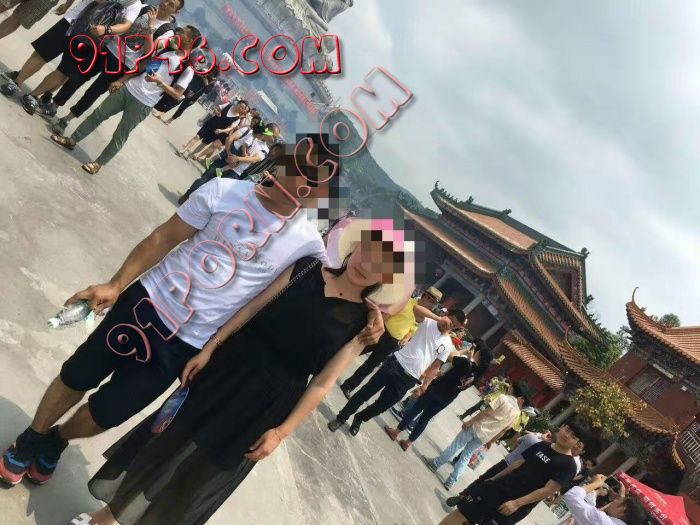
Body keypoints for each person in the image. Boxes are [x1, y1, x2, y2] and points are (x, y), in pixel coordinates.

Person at [0, 138, 339, 487]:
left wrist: (370, 316)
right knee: (78, 375)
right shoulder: (225, 191)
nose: (305, 182)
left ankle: (56, 439)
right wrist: (116, 284)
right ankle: (30, 438)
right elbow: (163, 238)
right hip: (145, 304)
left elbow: (343, 285)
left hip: (187, 343)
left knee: (108, 413)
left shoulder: (308, 244)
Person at [67, 215, 409, 525]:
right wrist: (211, 347)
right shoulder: (305, 268)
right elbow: (252, 307)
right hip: (227, 368)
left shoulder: (364, 326)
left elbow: (322, 383)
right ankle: (106, 518)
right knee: (164, 438)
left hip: (267, 403)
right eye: (368, 252)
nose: (367, 264)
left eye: (380, 264)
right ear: (355, 248)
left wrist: (281, 433)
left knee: (199, 475)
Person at [49, 25, 199, 174]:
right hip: (128, 89)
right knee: (98, 115)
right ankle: (73, 140)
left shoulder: (187, 68)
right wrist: (122, 80)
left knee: (120, 135)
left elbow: (177, 94)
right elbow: (145, 66)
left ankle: (98, 163)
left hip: (144, 103)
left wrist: (160, 83)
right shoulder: (167, 51)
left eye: (183, 32)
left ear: (190, 40)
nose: (178, 33)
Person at [328, 308, 467, 436]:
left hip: (409, 379)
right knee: (366, 392)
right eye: (450, 321)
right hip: (395, 364)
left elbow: (435, 367)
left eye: (454, 326)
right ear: (446, 315)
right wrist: (439, 318)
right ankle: (341, 417)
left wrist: (424, 386)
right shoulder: (428, 322)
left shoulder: (447, 344)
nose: (449, 326)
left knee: (382, 405)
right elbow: (416, 309)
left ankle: (360, 418)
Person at [46, 0, 181, 126]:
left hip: (123, 63)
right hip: (107, 48)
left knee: (94, 92)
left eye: (171, 4)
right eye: (166, 0)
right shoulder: (145, 8)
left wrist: (150, 27)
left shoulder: (168, 32)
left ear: (176, 12)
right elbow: (122, 22)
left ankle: (67, 119)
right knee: (77, 77)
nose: (165, 4)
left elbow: (149, 52)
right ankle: (55, 104)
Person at [1, 0, 144, 106]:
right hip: (72, 21)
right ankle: (17, 82)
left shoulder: (134, 4)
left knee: (64, 71)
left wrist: (107, 30)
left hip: (91, 39)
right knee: (42, 54)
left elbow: (126, 25)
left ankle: (33, 96)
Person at [439, 423, 584, 525]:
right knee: (461, 514)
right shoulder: (542, 445)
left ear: (577, 443)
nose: (566, 435)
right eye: (567, 429)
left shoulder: (569, 466)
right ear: (562, 427)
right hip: (497, 488)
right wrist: (492, 479)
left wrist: (517, 503)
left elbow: (547, 491)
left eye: (573, 435)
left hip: (514, 507)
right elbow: (518, 463)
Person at [340, 286, 443, 398]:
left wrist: (406, 337)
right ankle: (332, 368)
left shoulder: (423, 317)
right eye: (432, 302)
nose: (432, 306)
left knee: (370, 365)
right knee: (353, 351)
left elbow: (413, 328)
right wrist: (376, 328)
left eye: (434, 304)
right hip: (382, 331)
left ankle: (349, 386)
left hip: (392, 342)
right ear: (425, 296)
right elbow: (387, 314)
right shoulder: (407, 302)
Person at [424, 384, 527, 490]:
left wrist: (470, 421)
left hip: (477, 426)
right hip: (486, 436)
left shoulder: (503, 398)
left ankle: (435, 464)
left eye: (510, 387)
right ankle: (451, 481)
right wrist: (491, 441)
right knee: (466, 456)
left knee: (455, 446)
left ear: (512, 389)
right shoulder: (517, 413)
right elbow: (504, 430)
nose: (508, 388)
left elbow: (487, 412)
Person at [383, 345, 477, 450]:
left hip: (437, 388)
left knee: (415, 410)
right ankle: (408, 443)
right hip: (447, 398)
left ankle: (396, 432)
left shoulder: (465, 362)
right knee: (425, 419)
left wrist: (466, 353)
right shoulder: (476, 375)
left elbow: (451, 357)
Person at [177, 123, 281, 205]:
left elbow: (254, 159)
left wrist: (237, 158)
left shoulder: (265, 149)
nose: (274, 139)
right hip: (224, 160)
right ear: (269, 132)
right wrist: (230, 154)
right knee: (205, 179)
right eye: (274, 136)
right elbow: (229, 138)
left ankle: (195, 204)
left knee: (216, 192)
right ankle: (188, 195)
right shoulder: (248, 131)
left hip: (234, 173)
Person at [177, 98, 249, 159]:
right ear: (237, 104)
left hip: (216, 131)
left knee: (203, 144)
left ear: (243, 110)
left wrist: (221, 131)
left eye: (242, 108)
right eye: (240, 106)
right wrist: (217, 112)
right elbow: (217, 108)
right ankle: (183, 150)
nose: (240, 108)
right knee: (197, 136)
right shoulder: (228, 105)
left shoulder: (237, 119)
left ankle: (190, 155)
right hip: (211, 123)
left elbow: (230, 128)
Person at [564, 474, 649, 525]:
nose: (614, 501)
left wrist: (596, 484)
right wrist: (622, 497)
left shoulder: (601, 520)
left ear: (622, 510)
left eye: (619, 501)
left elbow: (572, 496)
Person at [153, 67, 217, 123]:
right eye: (210, 70)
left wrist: (206, 83)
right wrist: (199, 74)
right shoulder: (203, 71)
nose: (210, 72)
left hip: (193, 97)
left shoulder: (212, 82)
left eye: (212, 72)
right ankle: (161, 113)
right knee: (175, 101)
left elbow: (207, 92)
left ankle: (171, 119)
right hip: (187, 90)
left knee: (182, 108)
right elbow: (192, 73)